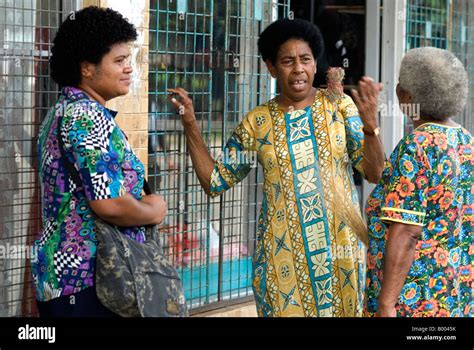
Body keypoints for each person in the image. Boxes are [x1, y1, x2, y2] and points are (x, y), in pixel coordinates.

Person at [169, 18, 385, 317]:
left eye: (305, 60)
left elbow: (374, 173)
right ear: (271, 67)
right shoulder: (258, 123)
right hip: (281, 264)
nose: (298, 68)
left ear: (314, 64)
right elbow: (215, 180)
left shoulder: (340, 107)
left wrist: (371, 127)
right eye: (287, 61)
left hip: (341, 259)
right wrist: (191, 124)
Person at [33, 6, 167, 317]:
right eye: (119, 61)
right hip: (88, 283)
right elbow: (109, 204)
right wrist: (153, 209)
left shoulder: (62, 109)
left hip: (66, 280)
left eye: (128, 60)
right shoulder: (86, 117)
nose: (129, 69)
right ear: (87, 68)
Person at [365, 47, 473, 317]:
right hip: (454, 296)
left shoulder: (417, 146)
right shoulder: (466, 142)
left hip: (416, 302)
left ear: (406, 96)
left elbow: (406, 233)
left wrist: (386, 304)